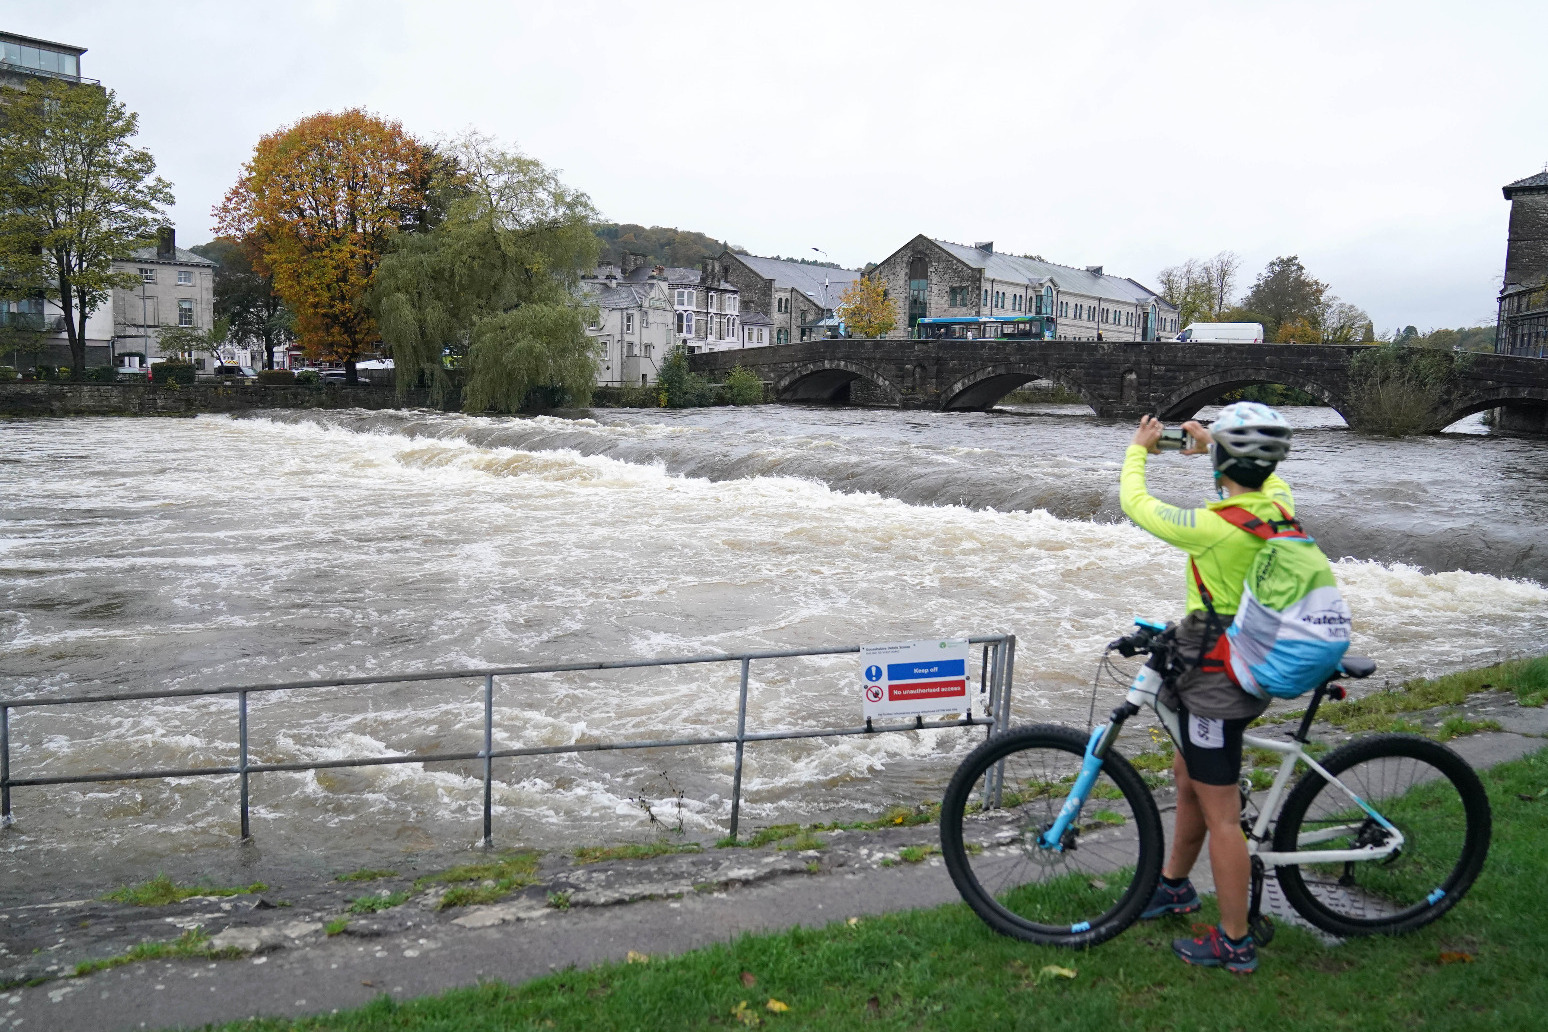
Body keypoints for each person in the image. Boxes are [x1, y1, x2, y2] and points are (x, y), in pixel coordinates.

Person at [1119, 401, 1296, 976]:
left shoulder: (1214, 527)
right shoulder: (1277, 504)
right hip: (1234, 656)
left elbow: (1136, 505)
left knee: (1223, 814)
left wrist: (1139, 452)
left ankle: (1235, 941)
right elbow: (1258, 481)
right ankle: (1174, 886)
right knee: (1185, 773)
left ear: (1225, 460)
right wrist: (1213, 454)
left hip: (1218, 676)